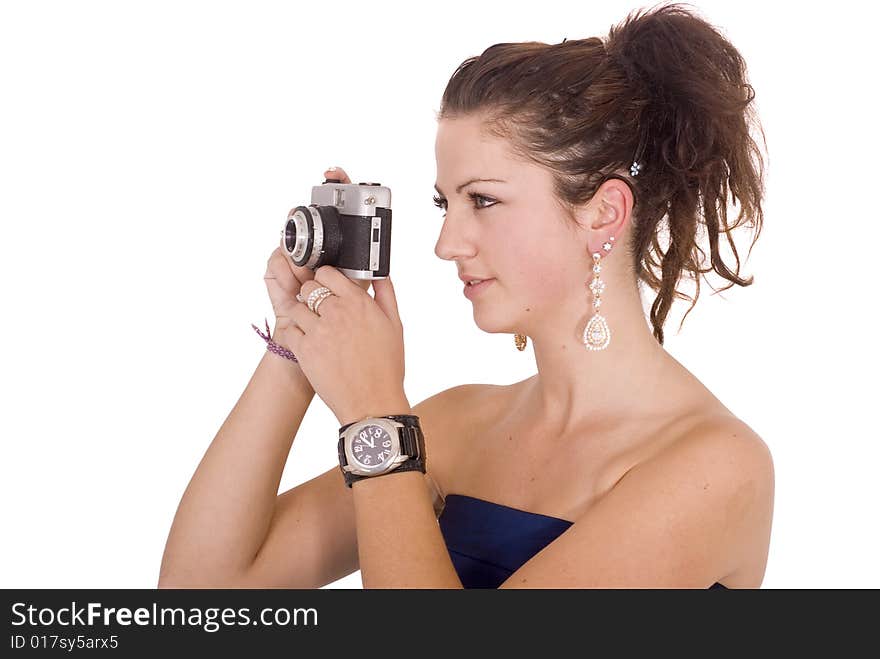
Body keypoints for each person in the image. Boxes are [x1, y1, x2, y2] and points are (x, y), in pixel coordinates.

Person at [158, 3, 774, 589]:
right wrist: (299, 342)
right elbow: (200, 593)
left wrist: (375, 417)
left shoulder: (716, 467)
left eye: (483, 200)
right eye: (443, 203)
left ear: (603, 213)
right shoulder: (457, 424)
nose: (447, 244)